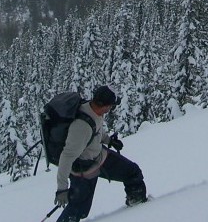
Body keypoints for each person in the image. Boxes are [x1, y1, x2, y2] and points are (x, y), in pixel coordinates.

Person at [54, 85, 147, 222]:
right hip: (84, 170)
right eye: (111, 106)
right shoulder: (81, 127)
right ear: (103, 105)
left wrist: (108, 140)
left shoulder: (93, 110)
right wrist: (62, 189)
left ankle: (138, 207)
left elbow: (96, 129)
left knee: (132, 172)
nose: (111, 109)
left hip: (99, 157)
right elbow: (66, 157)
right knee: (78, 211)